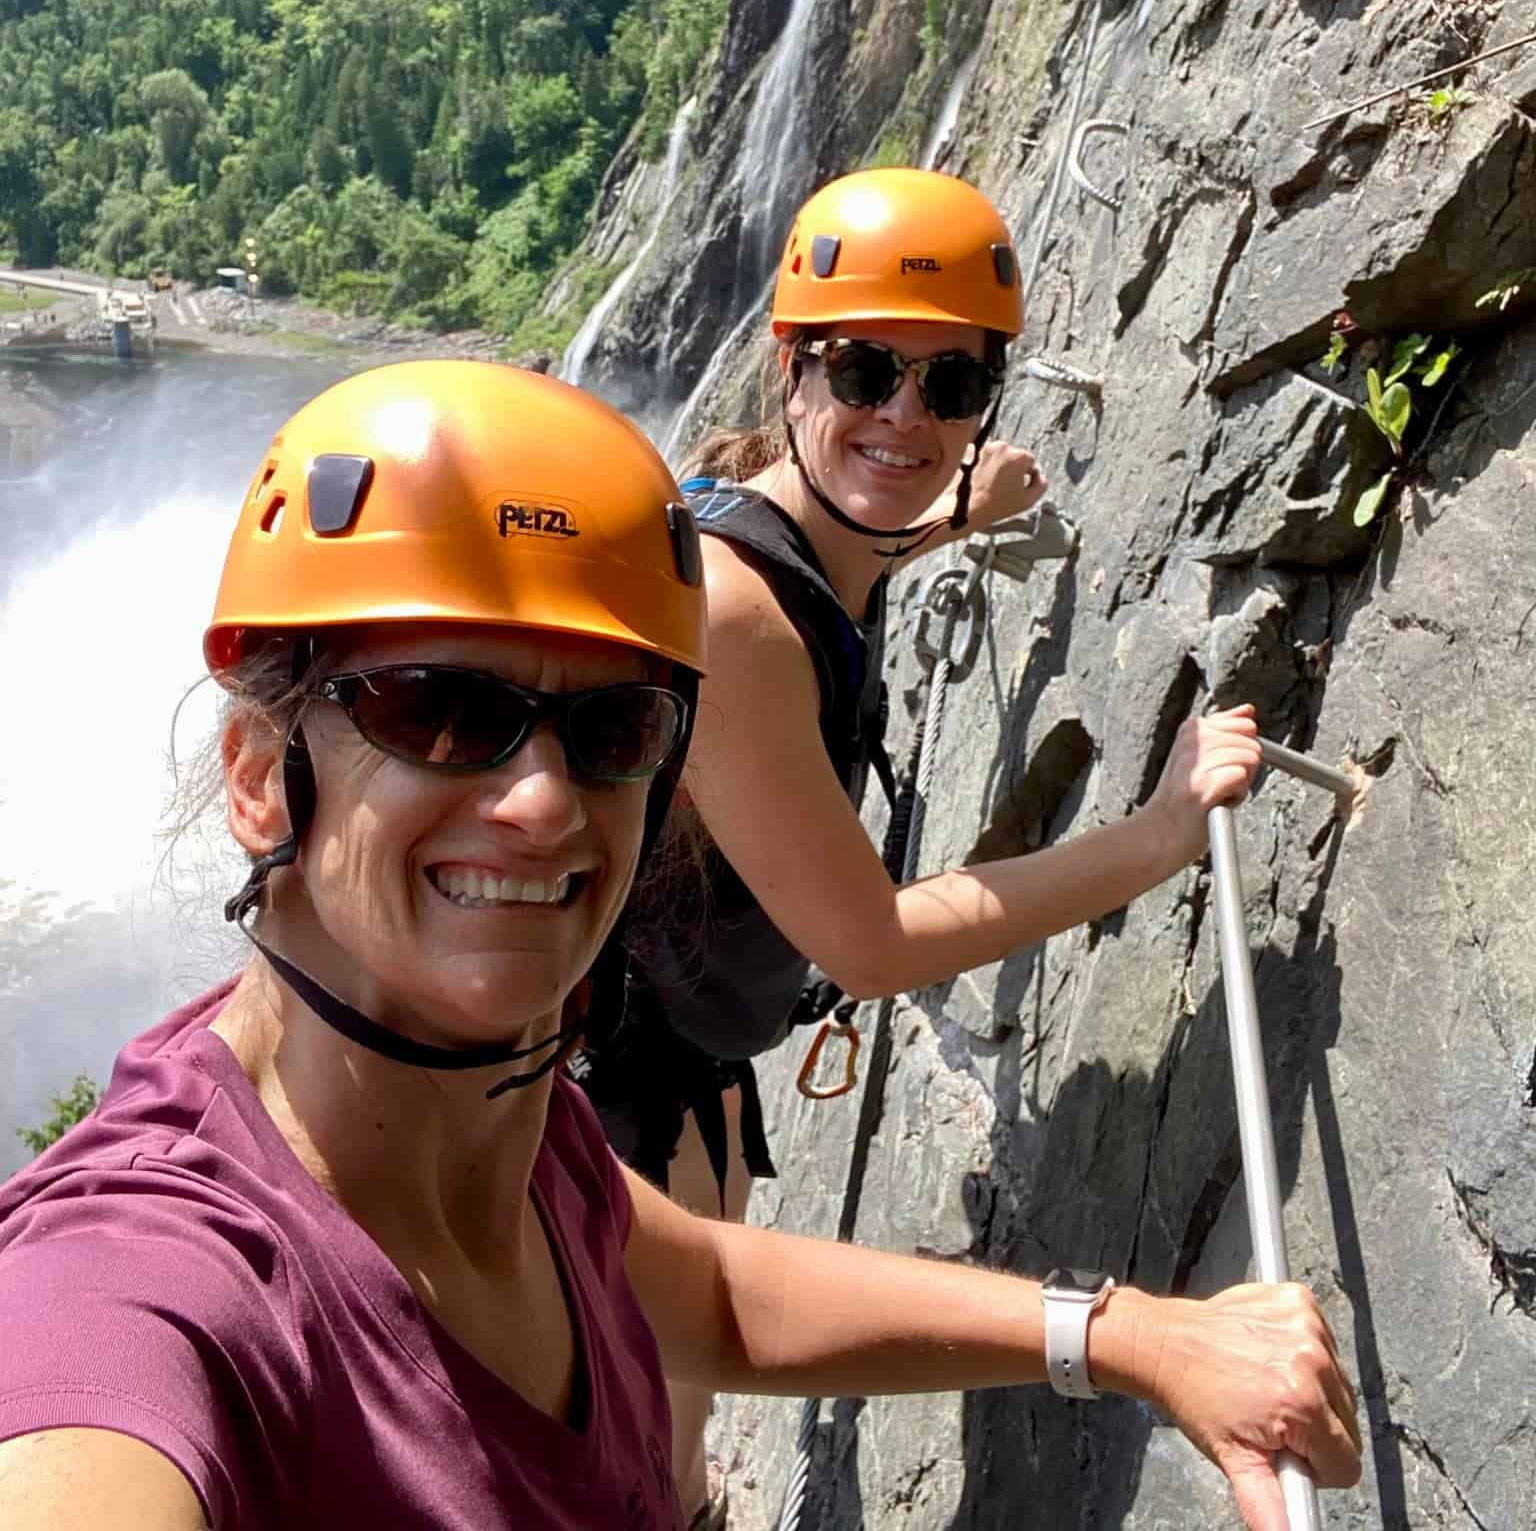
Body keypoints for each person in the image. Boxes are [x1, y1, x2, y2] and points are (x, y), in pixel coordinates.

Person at [0, 359, 1360, 1531]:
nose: (540, 802)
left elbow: (706, 1293)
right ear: (256, 771)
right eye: (439, 710)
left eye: (614, 732)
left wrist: (1136, 1335)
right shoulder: (150, 1276)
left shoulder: (511, 1127)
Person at [575, 169, 1328, 1526]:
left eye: (952, 385)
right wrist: (1158, 838)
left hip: (676, 1063)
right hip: (616, 1104)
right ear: (793, 369)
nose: (904, 416)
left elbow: (840, 533)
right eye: (865, 371)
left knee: (667, 1446)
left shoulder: (771, 521)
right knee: (647, 1470)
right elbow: (868, 948)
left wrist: (949, 516)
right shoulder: (736, 620)